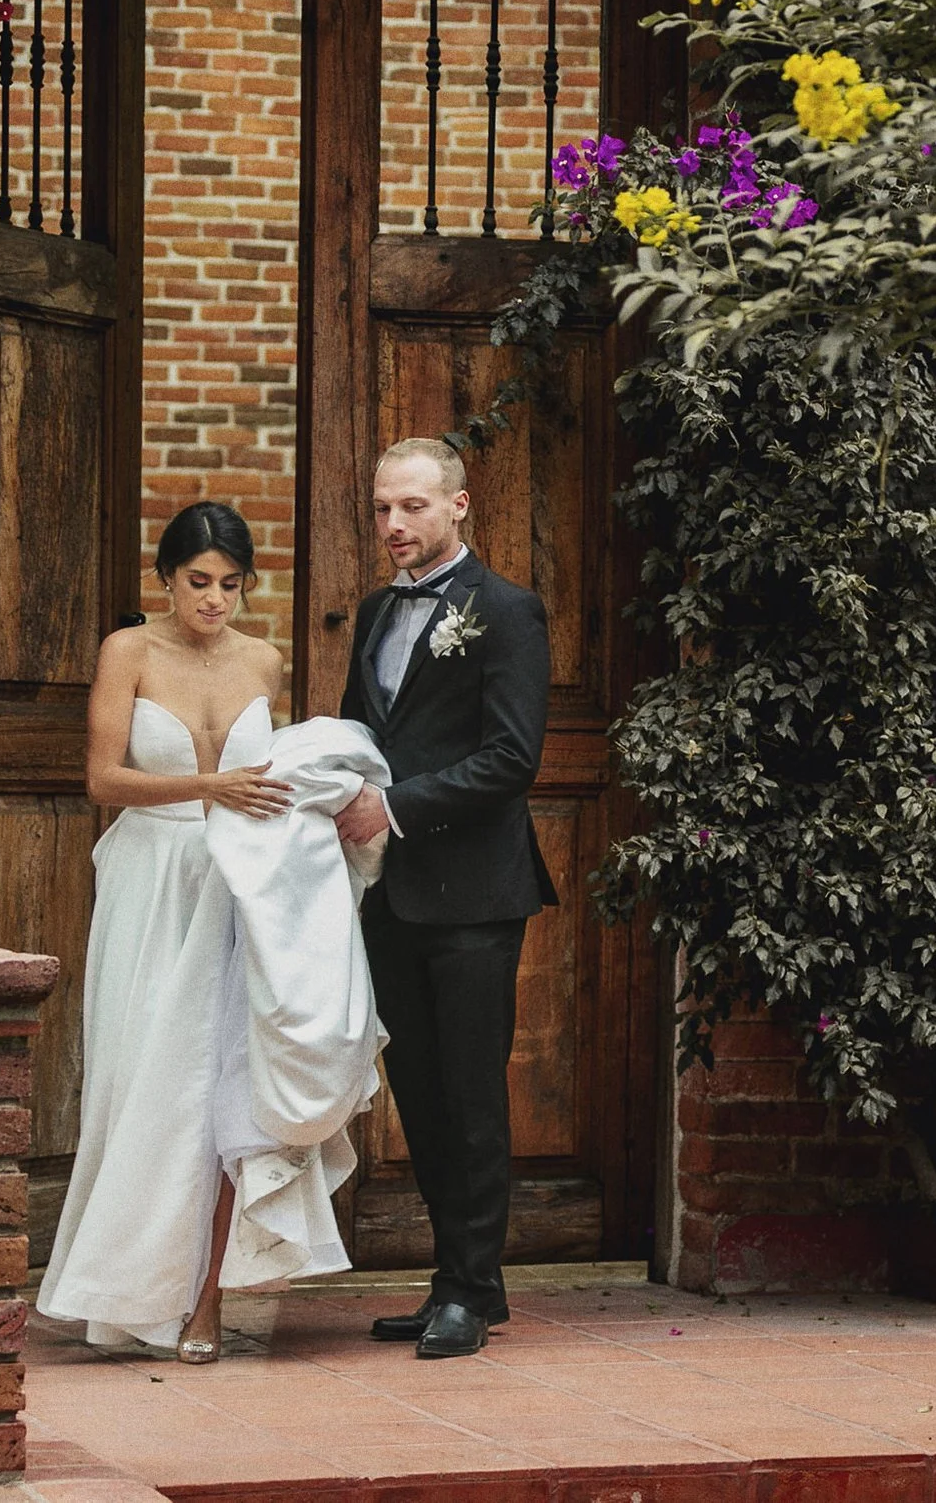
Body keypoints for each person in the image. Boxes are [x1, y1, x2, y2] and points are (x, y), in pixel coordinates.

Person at [38, 503, 391, 1364]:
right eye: (200, 582)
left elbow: (282, 776)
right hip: (150, 880)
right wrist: (209, 784)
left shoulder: (263, 660)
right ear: (167, 578)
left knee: (222, 1085)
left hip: (242, 886)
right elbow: (102, 778)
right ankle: (128, 1289)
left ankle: (205, 1304)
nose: (216, 600)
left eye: (232, 584)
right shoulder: (128, 651)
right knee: (145, 1079)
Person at [335, 437, 556, 1360]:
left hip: (473, 896)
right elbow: (360, 733)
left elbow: (514, 757)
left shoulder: (506, 612)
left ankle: (472, 1289)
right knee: (418, 1097)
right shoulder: (377, 611)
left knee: (470, 1097)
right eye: (384, 507)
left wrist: (394, 805)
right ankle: (458, 1284)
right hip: (391, 898)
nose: (394, 525)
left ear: (460, 506)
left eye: (414, 507)